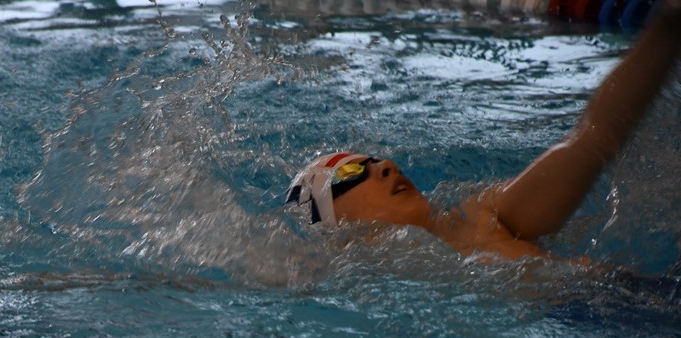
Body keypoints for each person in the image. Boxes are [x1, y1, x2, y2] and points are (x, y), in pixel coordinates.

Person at [285, 0, 681, 262]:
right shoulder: (348, 277)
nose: (385, 165)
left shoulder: (480, 217)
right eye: (352, 172)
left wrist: (667, 24)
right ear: (336, 225)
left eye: (372, 160)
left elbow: (592, 140)